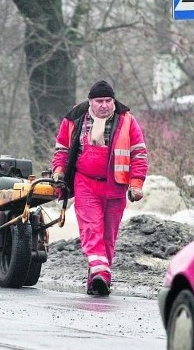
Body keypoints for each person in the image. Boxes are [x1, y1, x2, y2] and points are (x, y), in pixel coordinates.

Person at [51, 80, 148, 296]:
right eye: (99, 101)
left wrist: (136, 184)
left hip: (115, 185)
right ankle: (102, 273)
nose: (104, 105)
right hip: (85, 182)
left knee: (108, 236)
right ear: (90, 102)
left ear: (113, 102)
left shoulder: (127, 121)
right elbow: (62, 149)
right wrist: (58, 170)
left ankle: (97, 280)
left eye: (108, 101)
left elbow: (139, 154)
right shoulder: (75, 117)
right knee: (91, 229)